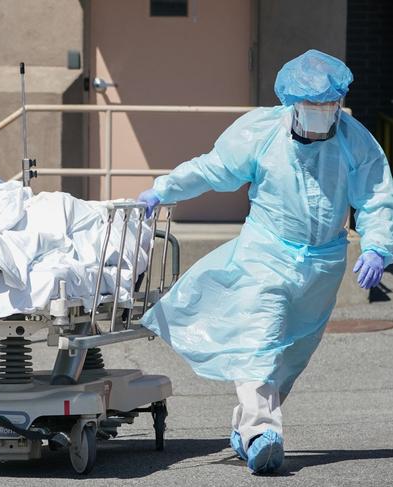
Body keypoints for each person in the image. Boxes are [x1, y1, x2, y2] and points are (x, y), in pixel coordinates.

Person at [137, 49, 393, 474]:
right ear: (291, 103)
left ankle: (246, 428)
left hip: (323, 264)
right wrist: (165, 189)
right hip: (267, 255)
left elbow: (376, 198)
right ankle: (263, 433)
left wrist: (377, 247)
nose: (322, 115)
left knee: (291, 356)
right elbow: (214, 169)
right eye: (313, 107)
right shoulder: (261, 133)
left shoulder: (354, 140)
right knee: (261, 340)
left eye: (330, 106)